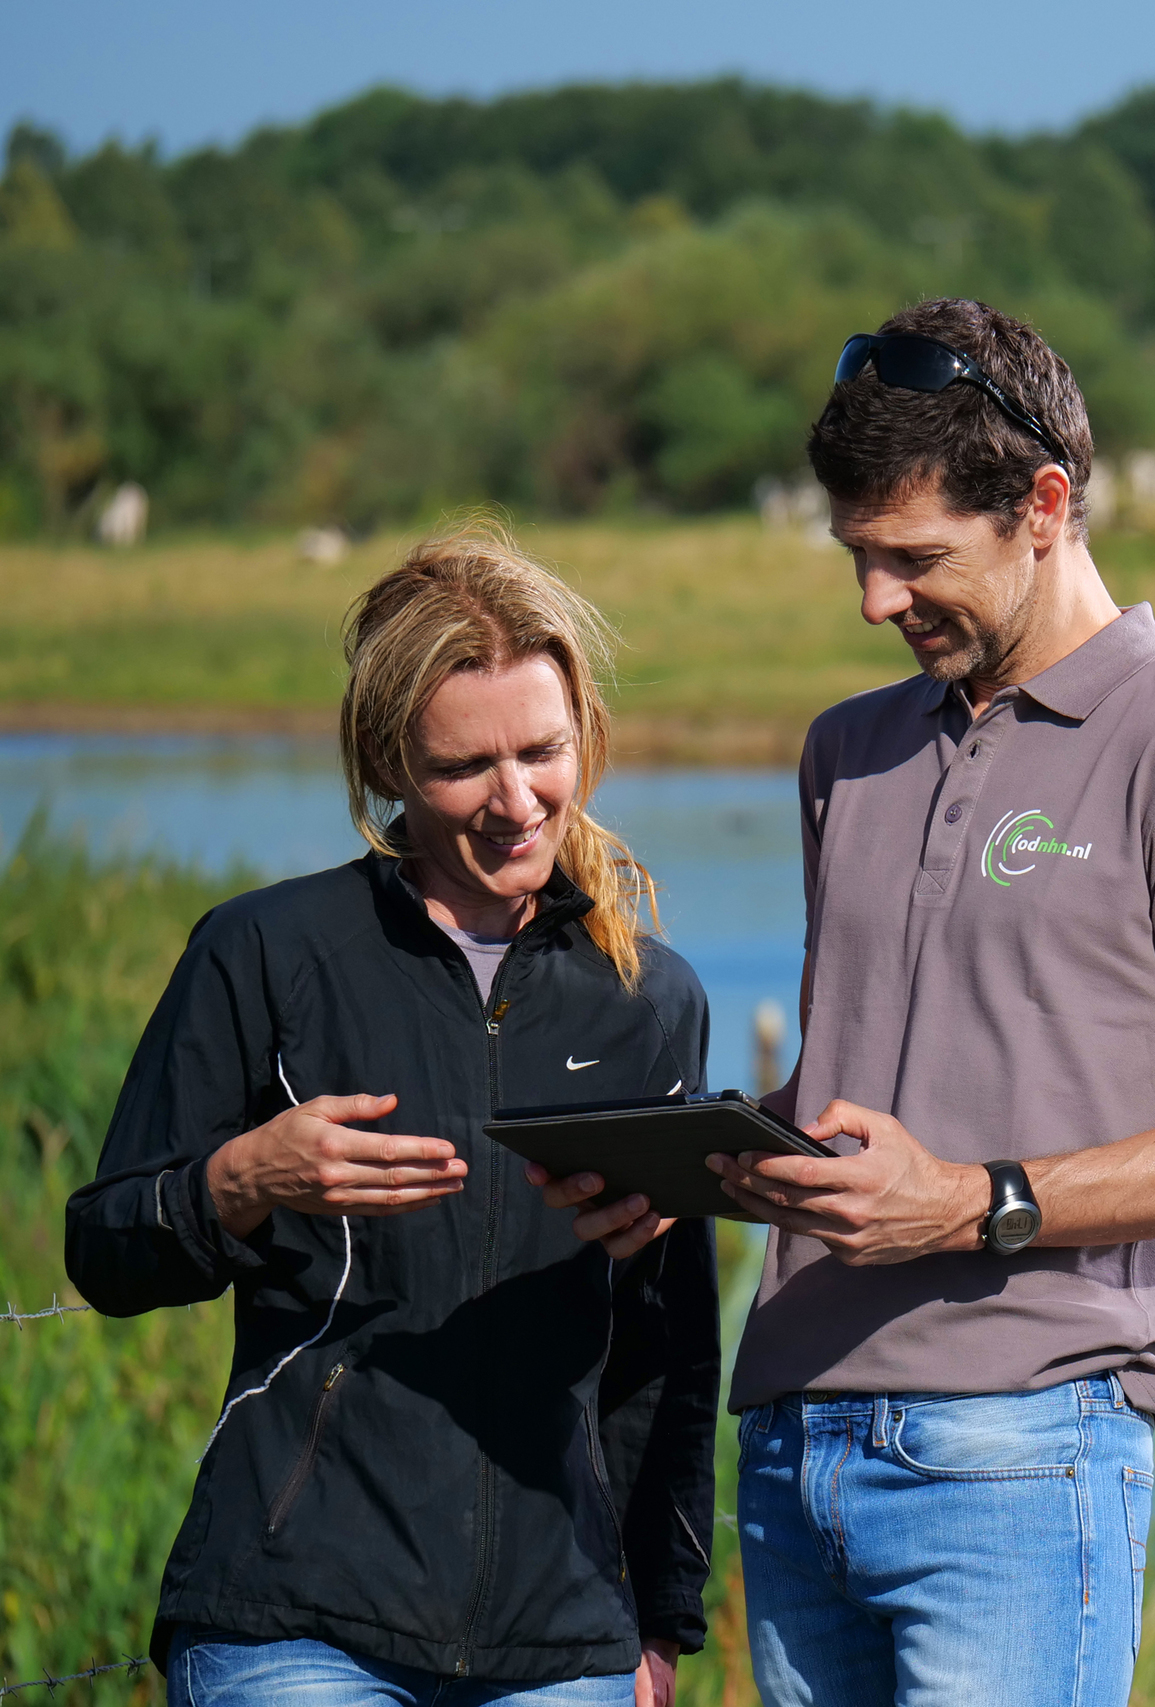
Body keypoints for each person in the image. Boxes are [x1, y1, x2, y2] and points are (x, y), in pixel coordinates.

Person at [569, 298, 1155, 1705]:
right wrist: (695, 1167)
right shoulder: (846, 749)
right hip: (794, 1441)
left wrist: (978, 1201)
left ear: (1044, 505)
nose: (875, 600)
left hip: (1022, 1452)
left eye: (916, 558)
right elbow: (872, 1081)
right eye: (859, 557)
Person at [63, 525, 719, 1707]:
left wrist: (658, 1616)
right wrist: (240, 1182)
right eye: (466, 767)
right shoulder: (264, 952)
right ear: (389, 768)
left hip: (560, 1638)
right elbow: (104, 1250)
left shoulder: (651, 1000)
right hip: (295, 1617)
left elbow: (665, 1347)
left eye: (543, 751)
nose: (517, 801)